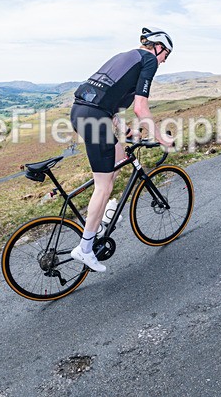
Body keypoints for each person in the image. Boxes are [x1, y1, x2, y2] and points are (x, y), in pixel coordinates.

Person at [69, 27, 175, 271]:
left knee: (118, 157)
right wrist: (160, 137)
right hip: (94, 119)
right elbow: (141, 107)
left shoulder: (125, 57)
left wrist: (125, 129)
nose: (163, 61)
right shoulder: (148, 60)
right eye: (165, 55)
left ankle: (103, 216)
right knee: (103, 185)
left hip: (81, 112)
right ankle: (85, 248)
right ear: (157, 47)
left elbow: (109, 102)